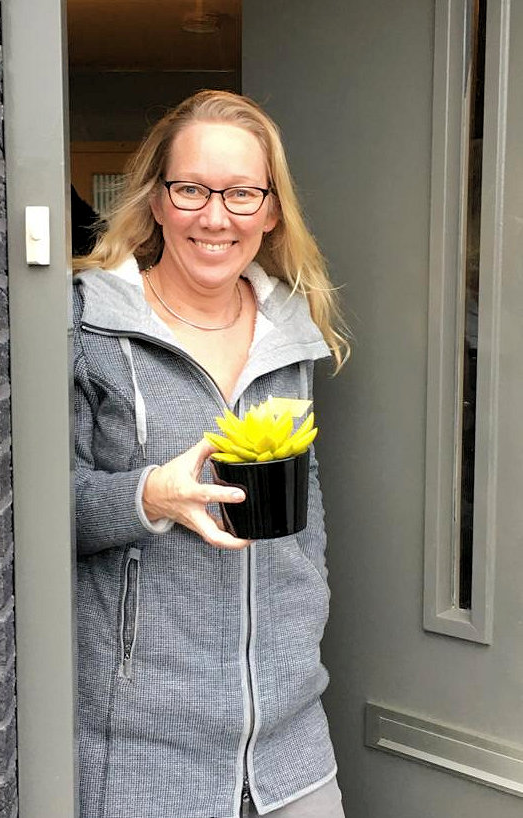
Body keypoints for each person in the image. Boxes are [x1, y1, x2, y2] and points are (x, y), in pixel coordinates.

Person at [73, 90, 349, 818]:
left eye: (241, 193)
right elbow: (35, 508)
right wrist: (146, 498)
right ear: (156, 200)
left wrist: (304, 620)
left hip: (290, 744)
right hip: (142, 753)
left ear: (271, 210)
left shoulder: (289, 330)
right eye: (191, 189)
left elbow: (306, 502)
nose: (215, 216)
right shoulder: (86, 326)